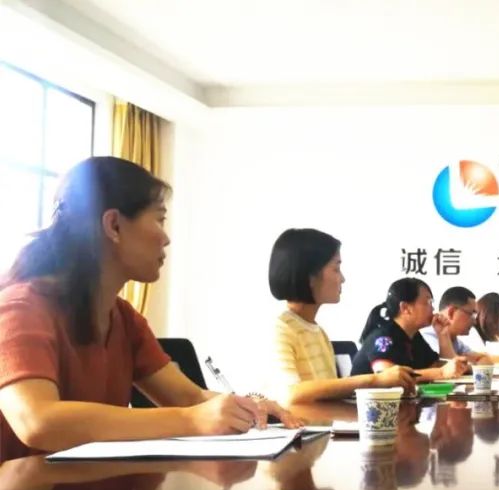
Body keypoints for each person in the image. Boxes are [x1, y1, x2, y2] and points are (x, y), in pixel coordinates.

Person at [0, 157, 298, 462]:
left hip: (81, 487)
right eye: (159, 219)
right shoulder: (21, 307)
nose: (166, 238)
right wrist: (190, 420)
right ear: (114, 225)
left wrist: (250, 407)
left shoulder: (124, 319)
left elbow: (190, 397)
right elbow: (38, 421)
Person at [268, 228, 416, 403]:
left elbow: (328, 395)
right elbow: (291, 394)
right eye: (336, 268)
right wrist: (374, 380)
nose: (342, 278)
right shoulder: (280, 329)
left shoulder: (318, 331)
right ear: (310, 276)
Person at [350, 278, 467, 381]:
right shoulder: (383, 337)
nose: (433, 308)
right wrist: (441, 373)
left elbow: (437, 366)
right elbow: (386, 375)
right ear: (405, 308)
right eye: (428, 302)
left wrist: (443, 334)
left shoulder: (414, 336)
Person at [419, 286, 492, 365]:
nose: (474, 322)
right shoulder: (427, 338)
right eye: (471, 314)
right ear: (451, 312)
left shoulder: (456, 341)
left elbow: (485, 360)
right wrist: (467, 361)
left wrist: (465, 361)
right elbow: (450, 366)